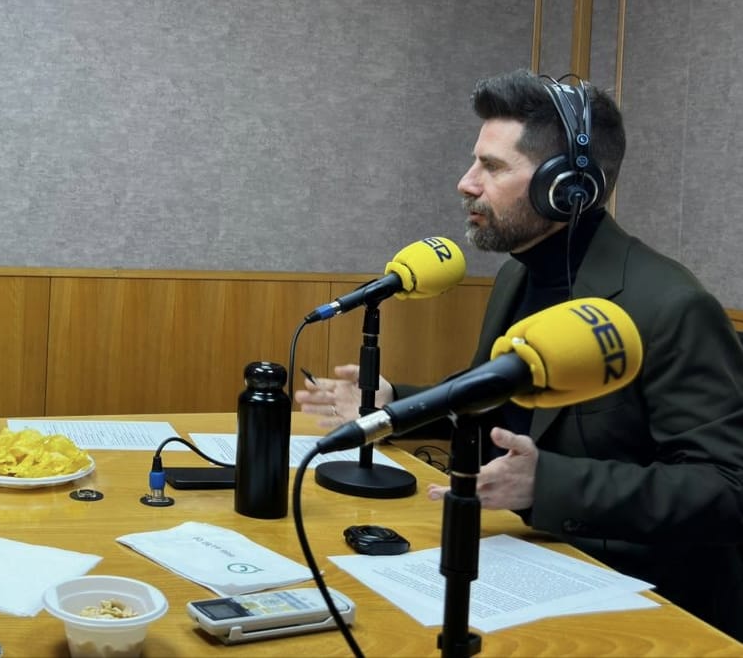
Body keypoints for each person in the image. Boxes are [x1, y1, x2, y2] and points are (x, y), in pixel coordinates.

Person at [296, 69, 743, 639]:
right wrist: (392, 404)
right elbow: (499, 397)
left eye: (493, 166)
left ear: (567, 185)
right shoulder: (516, 276)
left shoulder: (671, 305)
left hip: (642, 602)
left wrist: (545, 484)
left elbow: (726, 489)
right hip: (525, 561)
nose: (466, 183)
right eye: (474, 162)